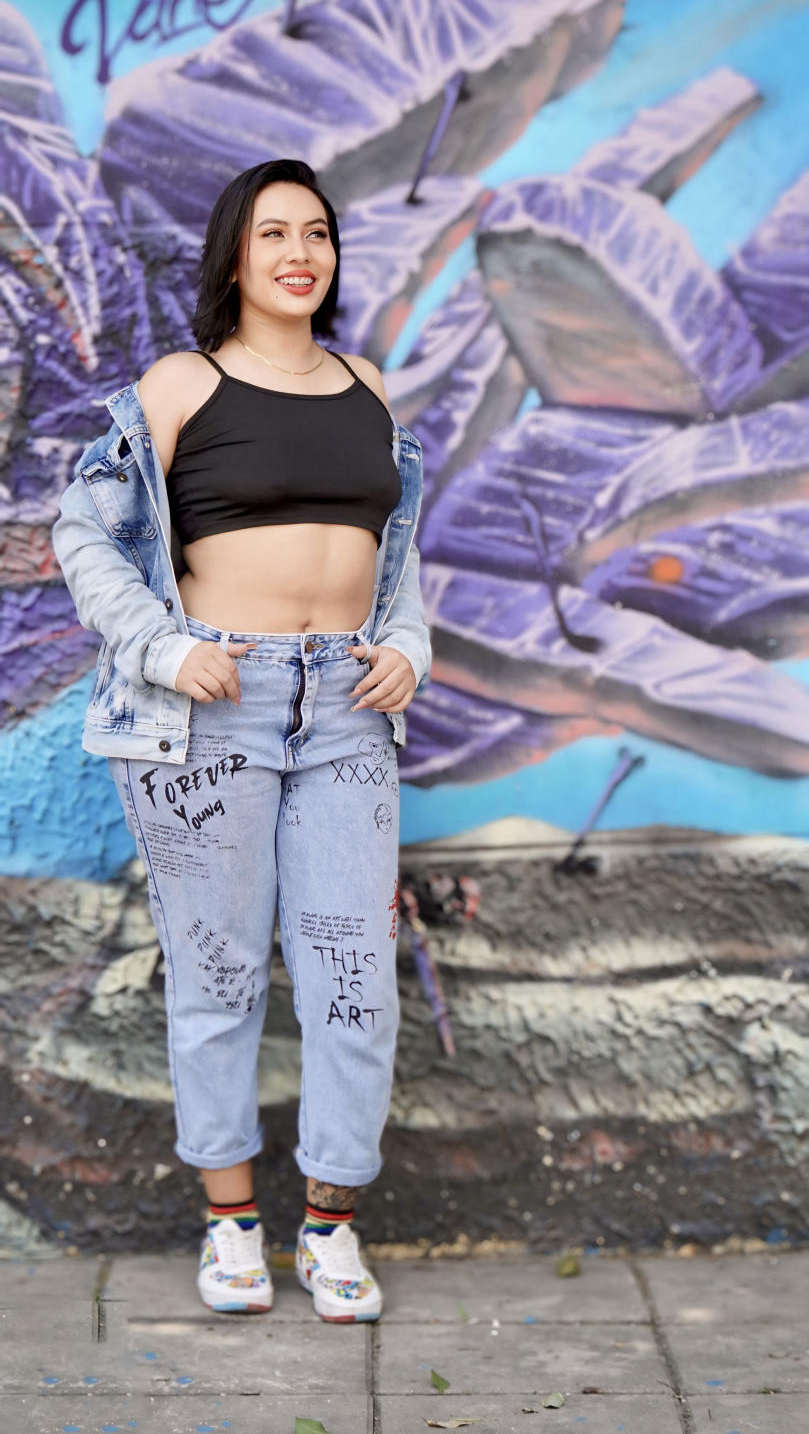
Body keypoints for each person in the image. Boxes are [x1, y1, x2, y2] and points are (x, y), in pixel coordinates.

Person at [52, 158, 432, 1323]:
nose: (297, 253)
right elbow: (84, 531)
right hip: (212, 709)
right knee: (218, 975)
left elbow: (399, 558)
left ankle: (328, 1227)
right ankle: (229, 1223)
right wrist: (162, 649)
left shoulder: (367, 387)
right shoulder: (183, 385)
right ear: (234, 256)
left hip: (349, 709)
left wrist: (406, 644)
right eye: (272, 233)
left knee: (352, 980)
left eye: (315, 232)